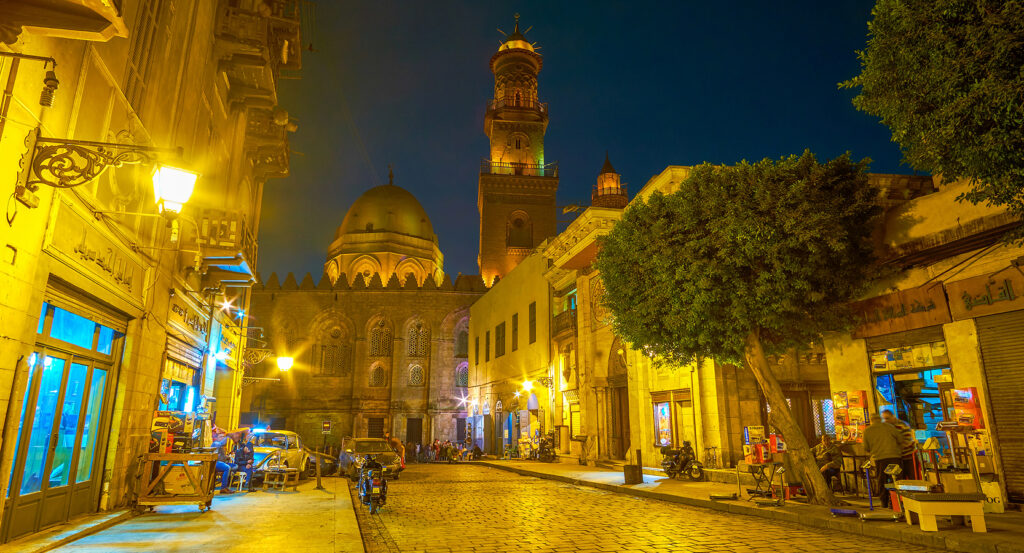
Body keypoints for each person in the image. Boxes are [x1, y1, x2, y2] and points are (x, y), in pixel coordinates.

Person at [864, 414, 903, 508]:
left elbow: (866, 447)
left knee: (882, 480)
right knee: (897, 480)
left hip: (880, 458)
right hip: (895, 457)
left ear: (871, 420)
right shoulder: (889, 427)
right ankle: (899, 502)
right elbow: (900, 439)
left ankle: (884, 502)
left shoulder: (867, 431)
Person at [881, 409, 917, 479]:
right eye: (884, 419)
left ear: (893, 417)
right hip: (897, 458)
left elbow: (907, 442)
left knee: (911, 478)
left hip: (907, 457)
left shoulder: (902, 426)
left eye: (887, 418)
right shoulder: (888, 427)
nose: (885, 421)